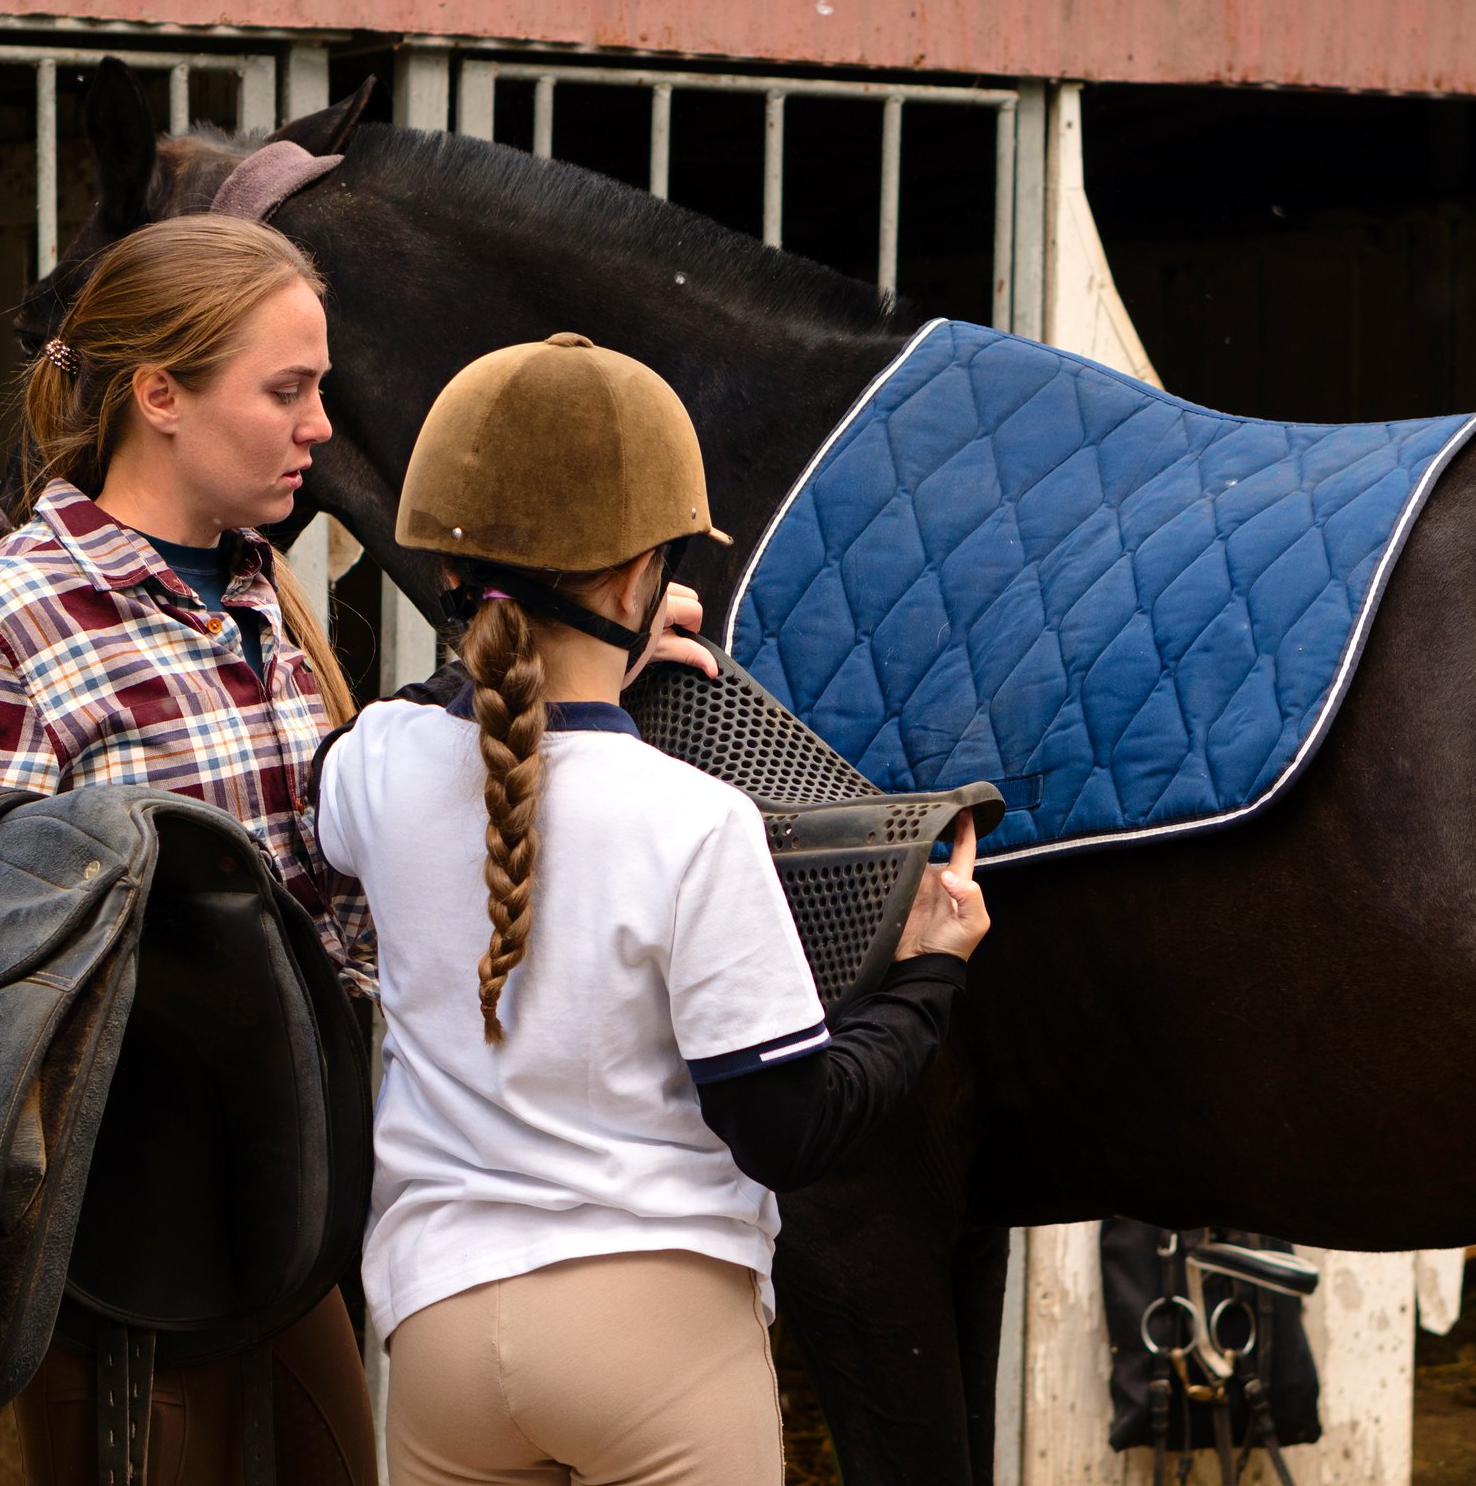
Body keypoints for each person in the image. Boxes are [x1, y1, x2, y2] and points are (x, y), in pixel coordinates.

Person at [312, 333, 992, 1486]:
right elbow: (790, 1129)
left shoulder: (375, 762)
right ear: (641, 582)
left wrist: (550, 660)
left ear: (443, 570)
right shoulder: (696, 822)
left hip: (440, 1331)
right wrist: (930, 970)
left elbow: (438, 730)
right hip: (655, 1329)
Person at [0, 214, 376, 1485]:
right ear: (159, 393)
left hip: (286, 1199)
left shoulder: (268, 596)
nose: (320, 425)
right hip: (105, 1248)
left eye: (317, 387)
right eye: (287, 390)